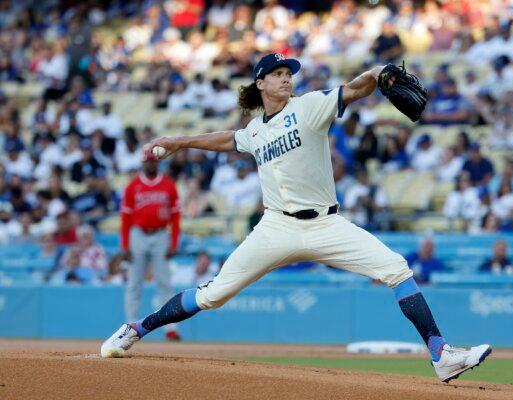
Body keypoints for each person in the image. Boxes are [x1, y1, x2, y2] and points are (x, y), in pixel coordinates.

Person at [101, 53, 491, 382]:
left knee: (396, 268)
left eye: (289, 74)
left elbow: (353, 89)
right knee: (213, 295)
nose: (287, 78)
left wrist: (376, 75)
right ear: (260, 84)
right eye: (278, 74)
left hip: (327, 224)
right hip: (276, 227)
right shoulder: (255, 130)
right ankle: (136, 329)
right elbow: (227, 139)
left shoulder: (308, 107)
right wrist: (179, 141)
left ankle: (441, 353)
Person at [120, 149, 182, 341]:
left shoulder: (168, 185)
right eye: (148, 161)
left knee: (164, 283)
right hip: (138, 234)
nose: (150, 164)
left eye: (154, 161)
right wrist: (125, 245)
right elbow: (126, 218)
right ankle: (130, 327)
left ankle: (170, 328)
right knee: (134, 283)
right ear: (143, 163)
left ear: (158, 163)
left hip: (161, 234)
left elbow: (176, 216)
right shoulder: (133, 186)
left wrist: (174, 241)